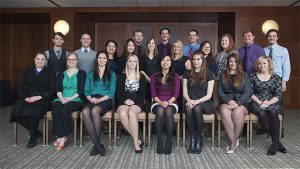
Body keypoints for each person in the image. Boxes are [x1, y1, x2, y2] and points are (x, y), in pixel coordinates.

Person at [10, 52, 55, 148]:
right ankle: (38, 132)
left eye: (43, 59)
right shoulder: (27, 71)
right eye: (38, 58)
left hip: (43, 98)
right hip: (28, 98)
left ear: (45, 61)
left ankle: (33, 138)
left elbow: (52, 90)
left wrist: (39, 97)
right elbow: (19, 87)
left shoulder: (50, 73)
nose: (40, 61)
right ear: (34, 60)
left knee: (33, 111)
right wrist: (26, 98)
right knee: (16, 110)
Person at [250, 56, 287, 155]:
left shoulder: (276, 77)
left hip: (271, 102)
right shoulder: (253, 76)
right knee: (262, 114)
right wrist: (260, 102)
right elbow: (250, 93)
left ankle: (274, 143)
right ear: (257, 65)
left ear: (269, 64)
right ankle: (277, 142)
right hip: (257, 102)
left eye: (264, 63)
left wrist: (268, 102)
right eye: (260, 63)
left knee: (272, 112)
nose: (262, 65)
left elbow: (278, 95)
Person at [82, 50, 116, 156]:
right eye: (100, 58)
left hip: (106, 99)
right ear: (97, 59)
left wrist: (100, 100)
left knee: (95, 110)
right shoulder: (90, 74)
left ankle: (96, 145)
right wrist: (91, 99)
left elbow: (111, 92)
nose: (102, 60)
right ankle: (97, 145)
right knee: (85, 111)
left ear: (107, 60)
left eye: (104, 58)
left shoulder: (112, 74)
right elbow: (86, 91)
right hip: (92, 98)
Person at [51, 52, 86, 151]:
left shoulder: (81, 73)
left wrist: (69, 99)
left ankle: (62, 136)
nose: (71, 61)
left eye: (73, 59)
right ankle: (63, 136)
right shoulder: (61, 73)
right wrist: (62, 98)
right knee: (56, 109)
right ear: (66, 61)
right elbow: (57, 88)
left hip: (75, 99)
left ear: (77, 61)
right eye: (69, 59)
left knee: (64, 111)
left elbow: (80, 90)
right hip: (61, 97)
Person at [217, 53, 251, 154]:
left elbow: (247, 92)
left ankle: (233, 141)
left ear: (238, 63)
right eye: (231, 61)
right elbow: (220, 92)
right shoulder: (223, 75)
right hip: (226, 101)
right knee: (224, 110)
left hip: (243, 102)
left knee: (237, 112)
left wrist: (238, 102)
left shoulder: (245, 75)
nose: (233, 63)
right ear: (228, 63)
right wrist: (229, 101)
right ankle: (234, 141)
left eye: (235, 62)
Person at [182, 51, 214, 154]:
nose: (196, 62)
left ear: (202, 60)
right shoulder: (187, 73)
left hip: (204, 102)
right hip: (190, 100)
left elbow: (209, 95)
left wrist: (197, 101)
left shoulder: (209, 74)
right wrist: (189, 100)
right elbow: (184, 92)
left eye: (198, 59)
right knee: (188, 108)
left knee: (197, 108)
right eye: (194, 59)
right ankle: (192, 138)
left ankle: (199, 139)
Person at [150, 55, 180, 155]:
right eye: (163, 60)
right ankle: (159, 140)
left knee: (168, 111)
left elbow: (176, 94)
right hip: (157, 102)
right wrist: (160, 102)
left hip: (172, 102)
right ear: (160, 62)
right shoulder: (154, 76)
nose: (165, 62)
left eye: (168, 60)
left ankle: (169, 140)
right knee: (160, 110)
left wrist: (168, 102)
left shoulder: (175, 76)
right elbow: (153, 94)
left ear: (171, 63)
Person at [116, 54, 146, 153]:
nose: (132, 63)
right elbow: (118, 93)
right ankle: (136, 139)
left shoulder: (141, 76)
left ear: (137, 63)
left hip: (137, 100)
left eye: (134, 61)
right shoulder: (121, 76)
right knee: (123, 113)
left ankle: (135, 143)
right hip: (123, 99)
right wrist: (125, 100)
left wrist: (134, 101)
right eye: (130, 61)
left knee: (132, 113)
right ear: (127, 63)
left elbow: (143, 94)